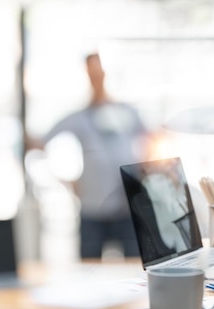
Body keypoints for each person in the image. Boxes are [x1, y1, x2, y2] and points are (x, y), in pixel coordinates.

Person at [38, 53, 148, 259]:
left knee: (134, 267)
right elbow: (40, 144)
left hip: (126, 208)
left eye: (99, 71)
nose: (96, 77)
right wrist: (66, 180)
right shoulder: (79, 118)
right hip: (92, 210)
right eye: (91, 72)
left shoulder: (127, 113)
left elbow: (152, 141)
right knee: (88, 269)